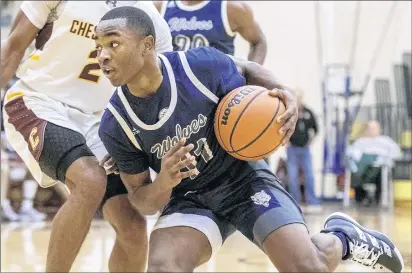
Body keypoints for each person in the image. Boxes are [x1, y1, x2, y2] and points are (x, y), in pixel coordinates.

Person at [96, 7, 404, 273]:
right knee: (164, 267)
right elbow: (140, 200)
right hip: (190, 197)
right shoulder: (115, 123)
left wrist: (282, 90)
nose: (103, 55)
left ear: (146, 45)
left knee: (309, 266)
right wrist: (163, 181)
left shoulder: (197, 67)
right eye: (98, 47)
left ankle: (344, 237)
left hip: (243, 179)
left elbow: (246, 68)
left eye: (113, 43)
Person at [1, 1, 172, 271]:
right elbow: (13, 47)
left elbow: (159, 84)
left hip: (99, 121)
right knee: (90, 180)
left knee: (133, 229)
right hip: (38, 100)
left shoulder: (149, 19)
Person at [153, 0, 267, 65]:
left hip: (218, 87)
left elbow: (258, 42)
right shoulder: (159, 8)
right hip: (178, 87)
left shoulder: (231, 8)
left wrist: (251, 78)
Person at [286, 88, 321, 211]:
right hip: (292, 149)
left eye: (299, 97)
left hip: (305, 149)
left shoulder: (308, 112)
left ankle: (312, 200)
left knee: (309, 174)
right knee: (292, 175)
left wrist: (309, 143)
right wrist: (287, 141)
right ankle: (294, 201)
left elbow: (316, 129)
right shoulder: (288, 111)